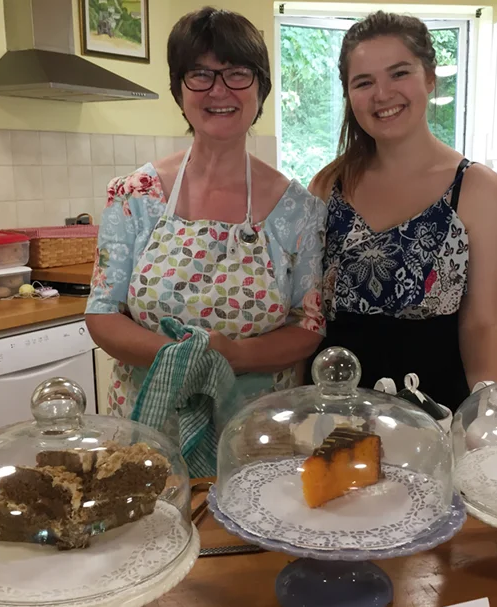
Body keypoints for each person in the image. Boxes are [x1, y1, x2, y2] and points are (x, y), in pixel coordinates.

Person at [86, 8, 326, 434]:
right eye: (200, 74)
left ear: (261, 88)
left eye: (237, 73)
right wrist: (182, 357)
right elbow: (103, 314)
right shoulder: (134, 196)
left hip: (257, 430)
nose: (219, 90)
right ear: (180, 90)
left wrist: (231, 354)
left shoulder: (298, 210)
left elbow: (308, 326)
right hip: (148, 429)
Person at [309, 11, 497, 411]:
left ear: (430, 79)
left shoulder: (477, 189)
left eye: (399, 73)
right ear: (349, 95)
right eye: (363, 82)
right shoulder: (327, 186)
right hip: (335, 410)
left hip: (435, 412)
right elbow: (309, 318)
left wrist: (489, 421)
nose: (382, 94)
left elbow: (482, 326)